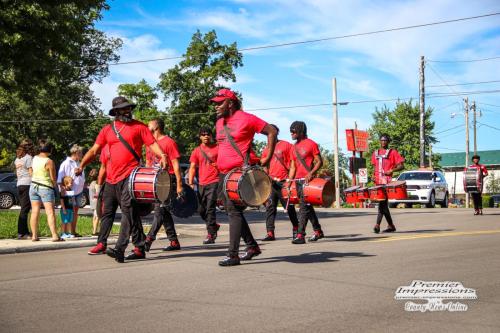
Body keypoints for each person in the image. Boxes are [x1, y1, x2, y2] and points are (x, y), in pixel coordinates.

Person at [75, 96, 167, 263]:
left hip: (130, 176)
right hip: (111, 179)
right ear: (116, 111)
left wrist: (162, 155)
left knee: (127, 211)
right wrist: (81, 165)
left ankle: (120, 248)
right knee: (109, 212)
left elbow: (152, 144)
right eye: (124, 109)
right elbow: (94, 150)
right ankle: (137, 246)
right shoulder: (107, 130)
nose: (127, 111)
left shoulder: (139, 126)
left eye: (129, 108)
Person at [211, 88, 277, 266]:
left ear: (230, 103)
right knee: (233, 211)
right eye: (215, 103)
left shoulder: (248, 119)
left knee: (233, 212)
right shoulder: (219, 123)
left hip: (239, 174)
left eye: (219, 103)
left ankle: (233, 255)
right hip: (223, 174)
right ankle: (252, 246)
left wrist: (268, 157)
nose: (216, 106)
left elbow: (271, 131)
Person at [144, 118, 184, 252]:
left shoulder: (169, 142)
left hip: (168, 179)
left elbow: (176, 165)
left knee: (160, 210)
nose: (146, 126)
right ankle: (174, 241)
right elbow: (148, 164)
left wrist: (179, 185)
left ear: (156, 127)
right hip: (155, 180)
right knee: (164, 211)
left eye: (149, 124)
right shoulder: (149, 144)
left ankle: (148, 239)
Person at [260, 124, 299, 241]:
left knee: (289, 207)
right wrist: (267, 177)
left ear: (276, 133)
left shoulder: (286, 145)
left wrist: (289, 181)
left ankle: (296, 229)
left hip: (284, 182)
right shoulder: (266, 149)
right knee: (270, 207)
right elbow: (264, 165)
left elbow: (293, 164)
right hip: (271, 183)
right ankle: (270, 233)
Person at [289, 121, 325, 244]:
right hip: (298, 182)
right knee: (308, 207)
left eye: (293, 131)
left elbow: (319, 161)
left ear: (300, 131)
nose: (291, 133)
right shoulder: (293, 147)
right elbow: (293, 166)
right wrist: (289, 181)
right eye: (291, 131)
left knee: (303, 208)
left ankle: (300, 235)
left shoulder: (311, 144)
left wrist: (311, 173)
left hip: (308, 181)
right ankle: (318, 231)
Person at [188, 127, 220, 244]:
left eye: (208, 134)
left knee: (210, 208)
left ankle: (211, 235)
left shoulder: (218, 148)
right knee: (201, 209)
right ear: (200, 137)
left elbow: (224, 163)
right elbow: (192, 167)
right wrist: (190, 183)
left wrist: (219, 165)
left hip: (215, 181)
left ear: (211, 136)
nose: (206, 136)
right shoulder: (197, 150)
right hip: (201, 183)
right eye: (203, 134)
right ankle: (213, 225)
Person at [29, 140, 63, 242]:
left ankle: (34, 235)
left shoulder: (34, 158)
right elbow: (53, 178)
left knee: (35, 211)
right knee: (50, 212)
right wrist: (55, 187)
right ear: (49, 150)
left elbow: (30, 171)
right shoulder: (49, 161)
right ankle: (54, 235)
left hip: (33, 186)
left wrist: (35, 177)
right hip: (45, 187)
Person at [371, 134, 404, 233]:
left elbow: (401, 166)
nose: (383, 142)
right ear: (379, 141)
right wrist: (373, 176)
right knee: (384, 205)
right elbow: (375, 168)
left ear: (388, 141)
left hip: (387, 183)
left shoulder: (393, 152)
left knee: (382, 203)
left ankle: (377, 225)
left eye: (385, 140)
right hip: (378, 183)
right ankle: (391, 225)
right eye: (382, 140)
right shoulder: (375, 153)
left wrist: (391, 170)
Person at [57, 144, 85, 237]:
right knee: (69, 212)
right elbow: (60, 179)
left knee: (75, 212)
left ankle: (73, 231)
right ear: (76, 153)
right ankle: (65, 232)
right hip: (69, 193)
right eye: (80, 153)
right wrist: (62, 189)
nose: (82, 155)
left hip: (78, 191)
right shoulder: (66, 163)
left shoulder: (79, 163)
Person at [14, 139, 34, 239]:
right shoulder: (29, 158)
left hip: (19, 184)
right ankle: (22, 233)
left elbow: (17, 173)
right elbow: (31, 172)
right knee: (25, 209)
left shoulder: (17, 159)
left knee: (24, 208)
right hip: (27, 184)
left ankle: (24, 231)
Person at [87, 169, 101, 235]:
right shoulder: (96, 184)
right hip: (96, 202)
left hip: (92, 202)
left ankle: (94, 230)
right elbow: (97, 194)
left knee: (94, 216)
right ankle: (95, 231)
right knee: (97, 216)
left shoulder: (91, 184)